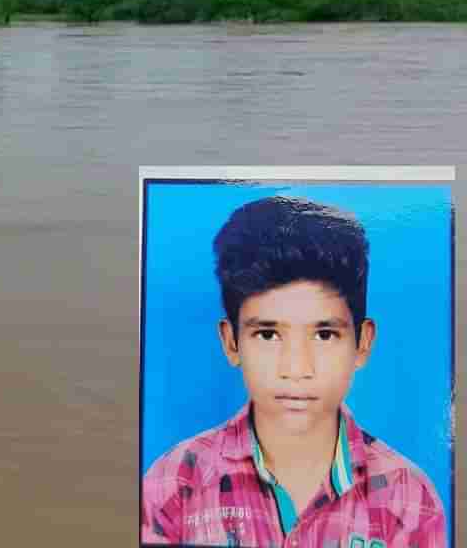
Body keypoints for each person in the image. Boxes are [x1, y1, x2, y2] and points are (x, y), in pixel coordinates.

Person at [141, 196, 446, 547]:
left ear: (362, 343)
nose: (297, 368)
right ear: (231, 342)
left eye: (324, 334)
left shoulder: (407, 497)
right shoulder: (175, 485)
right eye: (268, 334)